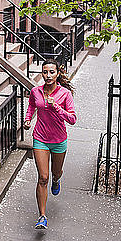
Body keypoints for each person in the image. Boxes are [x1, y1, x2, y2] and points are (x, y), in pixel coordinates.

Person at [24, 58, 76, 230]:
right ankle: (42, 217)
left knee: (56, 172)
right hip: (40, 138)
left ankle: (57, 179)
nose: (48, 75)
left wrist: (57, 108)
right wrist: (27, 119)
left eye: (51, 72)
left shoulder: (65, 94)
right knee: (43, 177)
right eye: (45, 72)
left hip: (59, 140)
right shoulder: (35, 91)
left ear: (57, 73)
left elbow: (73, 119)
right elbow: (32, 106)